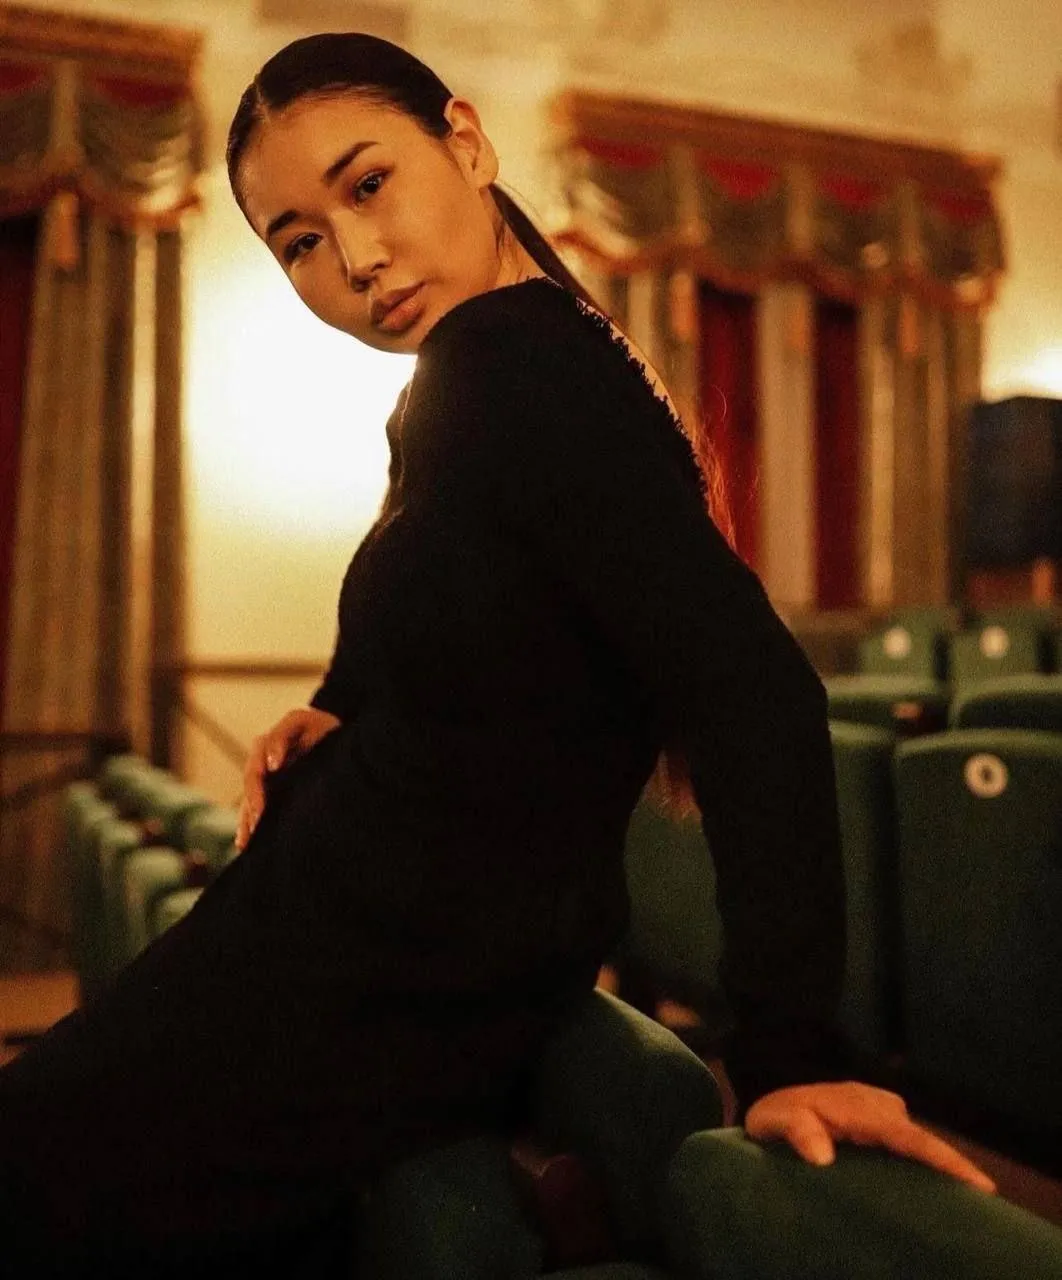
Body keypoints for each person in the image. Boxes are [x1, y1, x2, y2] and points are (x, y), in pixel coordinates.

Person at [0, 30, 994, 1277]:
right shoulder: (462, 379)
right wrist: (333, 707)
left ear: (465, 142)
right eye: (298, 240)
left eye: (369, 185)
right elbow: (457, 627)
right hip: (346, 950)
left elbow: (759, 694)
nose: (354, 258)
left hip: (378, 981)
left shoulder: (526, 373)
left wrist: (789, 1049)